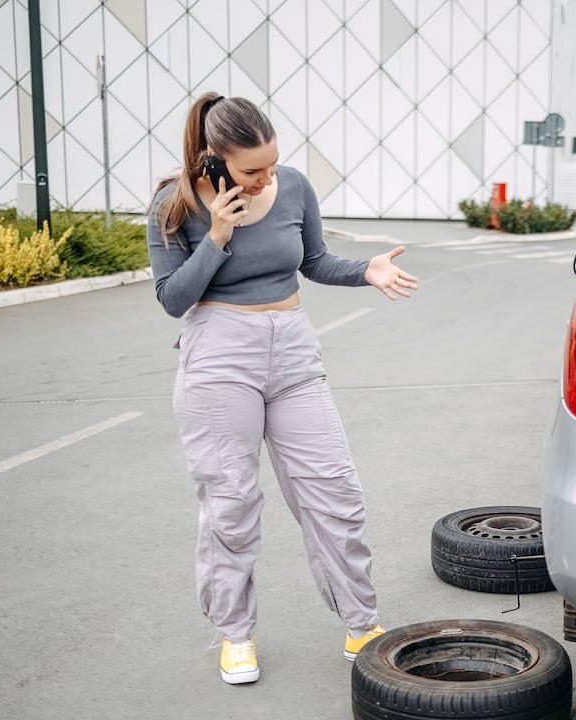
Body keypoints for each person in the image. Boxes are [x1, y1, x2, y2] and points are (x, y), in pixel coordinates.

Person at [146, 92, 418, 685]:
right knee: (231, 503)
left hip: (293, 347)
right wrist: (217, 234)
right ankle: (235, 636)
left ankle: (361, 624)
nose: (266, 177)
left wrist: (365, 271)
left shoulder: (292, 186)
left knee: (333, 490)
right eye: (252, 170)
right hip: (220, 354)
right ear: (213, 158)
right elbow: (172, 298)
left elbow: (314, 261)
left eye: (271, 163)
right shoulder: (175, 204)